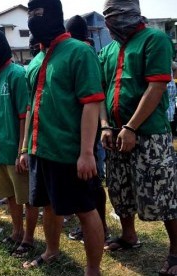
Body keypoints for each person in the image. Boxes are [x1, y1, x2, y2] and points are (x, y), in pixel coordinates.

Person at [20, 0, 105, 274]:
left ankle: (93, 270)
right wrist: (25, 149)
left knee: (85, 209)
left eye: (38, 13)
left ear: (55, 16)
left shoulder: (79, 52)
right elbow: (32, 108)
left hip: (69, 152)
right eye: (30, 13)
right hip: (40, 150)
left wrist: (87, 153)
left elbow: (91, 103)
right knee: (47, 205)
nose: (33, 19)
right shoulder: (36, 60)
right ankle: (51, 250)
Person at [99, 0, 177, 275]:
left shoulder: (154, 39)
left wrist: (131, 128)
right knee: (120, 189)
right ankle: (129, 235)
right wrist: (106, 125)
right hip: (115, 134)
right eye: (107, 16)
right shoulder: (108, 50)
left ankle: (176, 250)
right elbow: (100, 91)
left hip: (149, 134)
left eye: (116, 15)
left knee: (163, 193)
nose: (111, 22)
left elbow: (156, 86)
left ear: (133, 13)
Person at [0, 28, 39, 254]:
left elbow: (25, 115)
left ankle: (29, 238)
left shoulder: (16, 74)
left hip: (15, 149)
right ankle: (17, 232)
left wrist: (23, 149)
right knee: (11, 195)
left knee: (28, 197)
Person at [65, 14, 110, 244]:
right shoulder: (87, 51)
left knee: (91, 182)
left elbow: (94, 96)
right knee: (91, 181)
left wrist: (103, 126)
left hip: (88, 128)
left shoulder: (83, 53)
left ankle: (99, 228)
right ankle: (98, 226)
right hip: (88, 127)